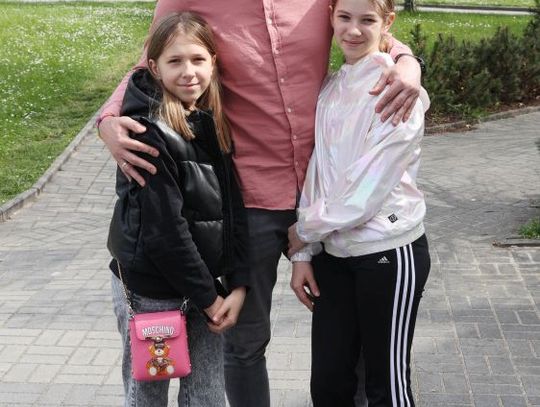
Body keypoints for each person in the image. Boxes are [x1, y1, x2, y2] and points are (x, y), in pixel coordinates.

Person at [97, 2, 424, 405]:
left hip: (327, 198)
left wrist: (408, 62)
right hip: (249, 197)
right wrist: (107, 119)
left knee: (349, 339)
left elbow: (366, 23)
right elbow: (150, 59)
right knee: (244, 344)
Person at [287, 0, 431, 405]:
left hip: (388, 252)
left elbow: (365, 191)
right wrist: (305, 253)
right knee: (329, 385)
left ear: (387, 22)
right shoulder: (331, 87)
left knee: (387, 387)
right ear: (330, 17)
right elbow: (318, 171)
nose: (353, 30)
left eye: (367, 20)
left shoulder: (396, 89)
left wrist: (303, 231)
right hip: (334, 256)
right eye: (344, 18)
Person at [107, 12, 250, 406]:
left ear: (213, 63)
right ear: (154, 67)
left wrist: (238, 282)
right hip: (151, 291)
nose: (188, 72)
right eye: (175, 61)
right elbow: (164, 232)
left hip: (204, 288)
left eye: (198, 59)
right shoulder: (146, 133)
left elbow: (233, 209)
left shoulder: (210, 121)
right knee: (148, 394)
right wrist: (210, 299)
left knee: (207, 395)